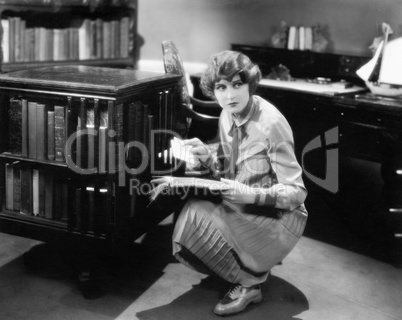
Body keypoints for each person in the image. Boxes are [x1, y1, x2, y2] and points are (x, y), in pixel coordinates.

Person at [172, 50, 308, 316]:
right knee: (191, 211)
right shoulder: (227, 115)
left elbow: (297, 192)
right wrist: (207, 156)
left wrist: (251, 195)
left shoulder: (271, 124)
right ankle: (248, 268)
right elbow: (230, 165)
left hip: (280, 217)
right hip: (246, 203)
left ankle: (251, 285)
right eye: (221, 87)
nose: (230, 95)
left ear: (250, 84)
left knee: (196, 213)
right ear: (214, 91)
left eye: (237, 84)